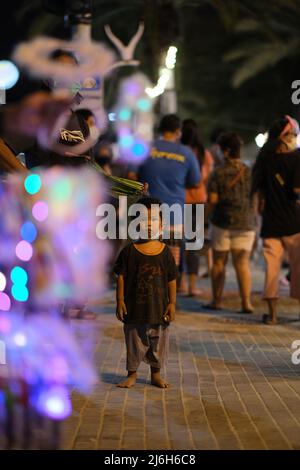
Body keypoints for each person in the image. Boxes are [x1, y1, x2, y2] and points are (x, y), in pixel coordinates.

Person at [114, 197, 177, 389]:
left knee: (158, 345)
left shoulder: (166, 252)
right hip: (134, 309)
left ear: (162, 224)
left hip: (159, 310)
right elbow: (121, 277)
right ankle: (131, 374)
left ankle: (155, 374)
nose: (149, 225)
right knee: (134, 343)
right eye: (143, 220)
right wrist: (120, 300)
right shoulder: (128, 252)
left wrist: (172, 303)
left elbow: (171, 280)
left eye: (154, 220)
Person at [127, 114, 201, 268]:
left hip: (146, 215)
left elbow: (130, 175)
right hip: (175, 216)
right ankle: (172, 289)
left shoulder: (145, 147)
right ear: (178, 132)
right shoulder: (186, 153)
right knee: (171, 265)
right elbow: (195, 182)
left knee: (146, 261)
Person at [251, 115, 300, 324]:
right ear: (286, 135)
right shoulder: (297, 158)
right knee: (298, 269)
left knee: (272, 269)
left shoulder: (265, 158)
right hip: (294, 223)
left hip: (271, 222)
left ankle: (271, 316)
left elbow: (259, 194)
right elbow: (297, 189)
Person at [206, 132, 256, 313]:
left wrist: (203, 218)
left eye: (219, 150)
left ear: (225, 151)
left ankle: (217, 301)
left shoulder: (217, 173)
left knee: (219, 262)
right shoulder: (250, 172)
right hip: (246, 223)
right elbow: (256, 197)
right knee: (242, 264)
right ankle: (246, 303)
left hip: (222, 223)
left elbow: (212, 200)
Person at [181, 118, 214, 296]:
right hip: (199, 201)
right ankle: (192, 286)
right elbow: (206, 179)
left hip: (180, 200)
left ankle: (181, 283)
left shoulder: (180, 152)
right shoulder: (205, 154)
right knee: (193, 245)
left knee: (177, 243)